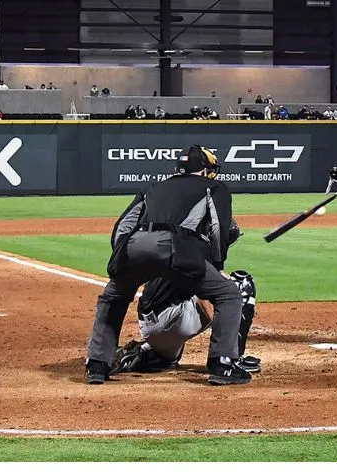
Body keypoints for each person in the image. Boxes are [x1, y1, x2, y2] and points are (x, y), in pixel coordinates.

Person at [83, 144, 250, 385]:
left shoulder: (153, 186)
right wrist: (216, 263)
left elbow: (123, 226)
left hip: (136, 243)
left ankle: (97, 365)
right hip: (176, 246)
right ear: (204, 171)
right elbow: (218, 228)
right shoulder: (214, 187)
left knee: (113, 297)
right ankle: (222, 364)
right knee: (229, 294)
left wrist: (122, 259)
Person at [111, 268, 262, 376]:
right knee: (241, 284)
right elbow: (203, 294)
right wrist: (226, 326)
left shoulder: (173, 243)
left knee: (166, 360)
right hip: (171, 320)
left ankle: (143, 353)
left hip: (150, 323)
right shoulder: (197, 249)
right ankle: (232, 358)